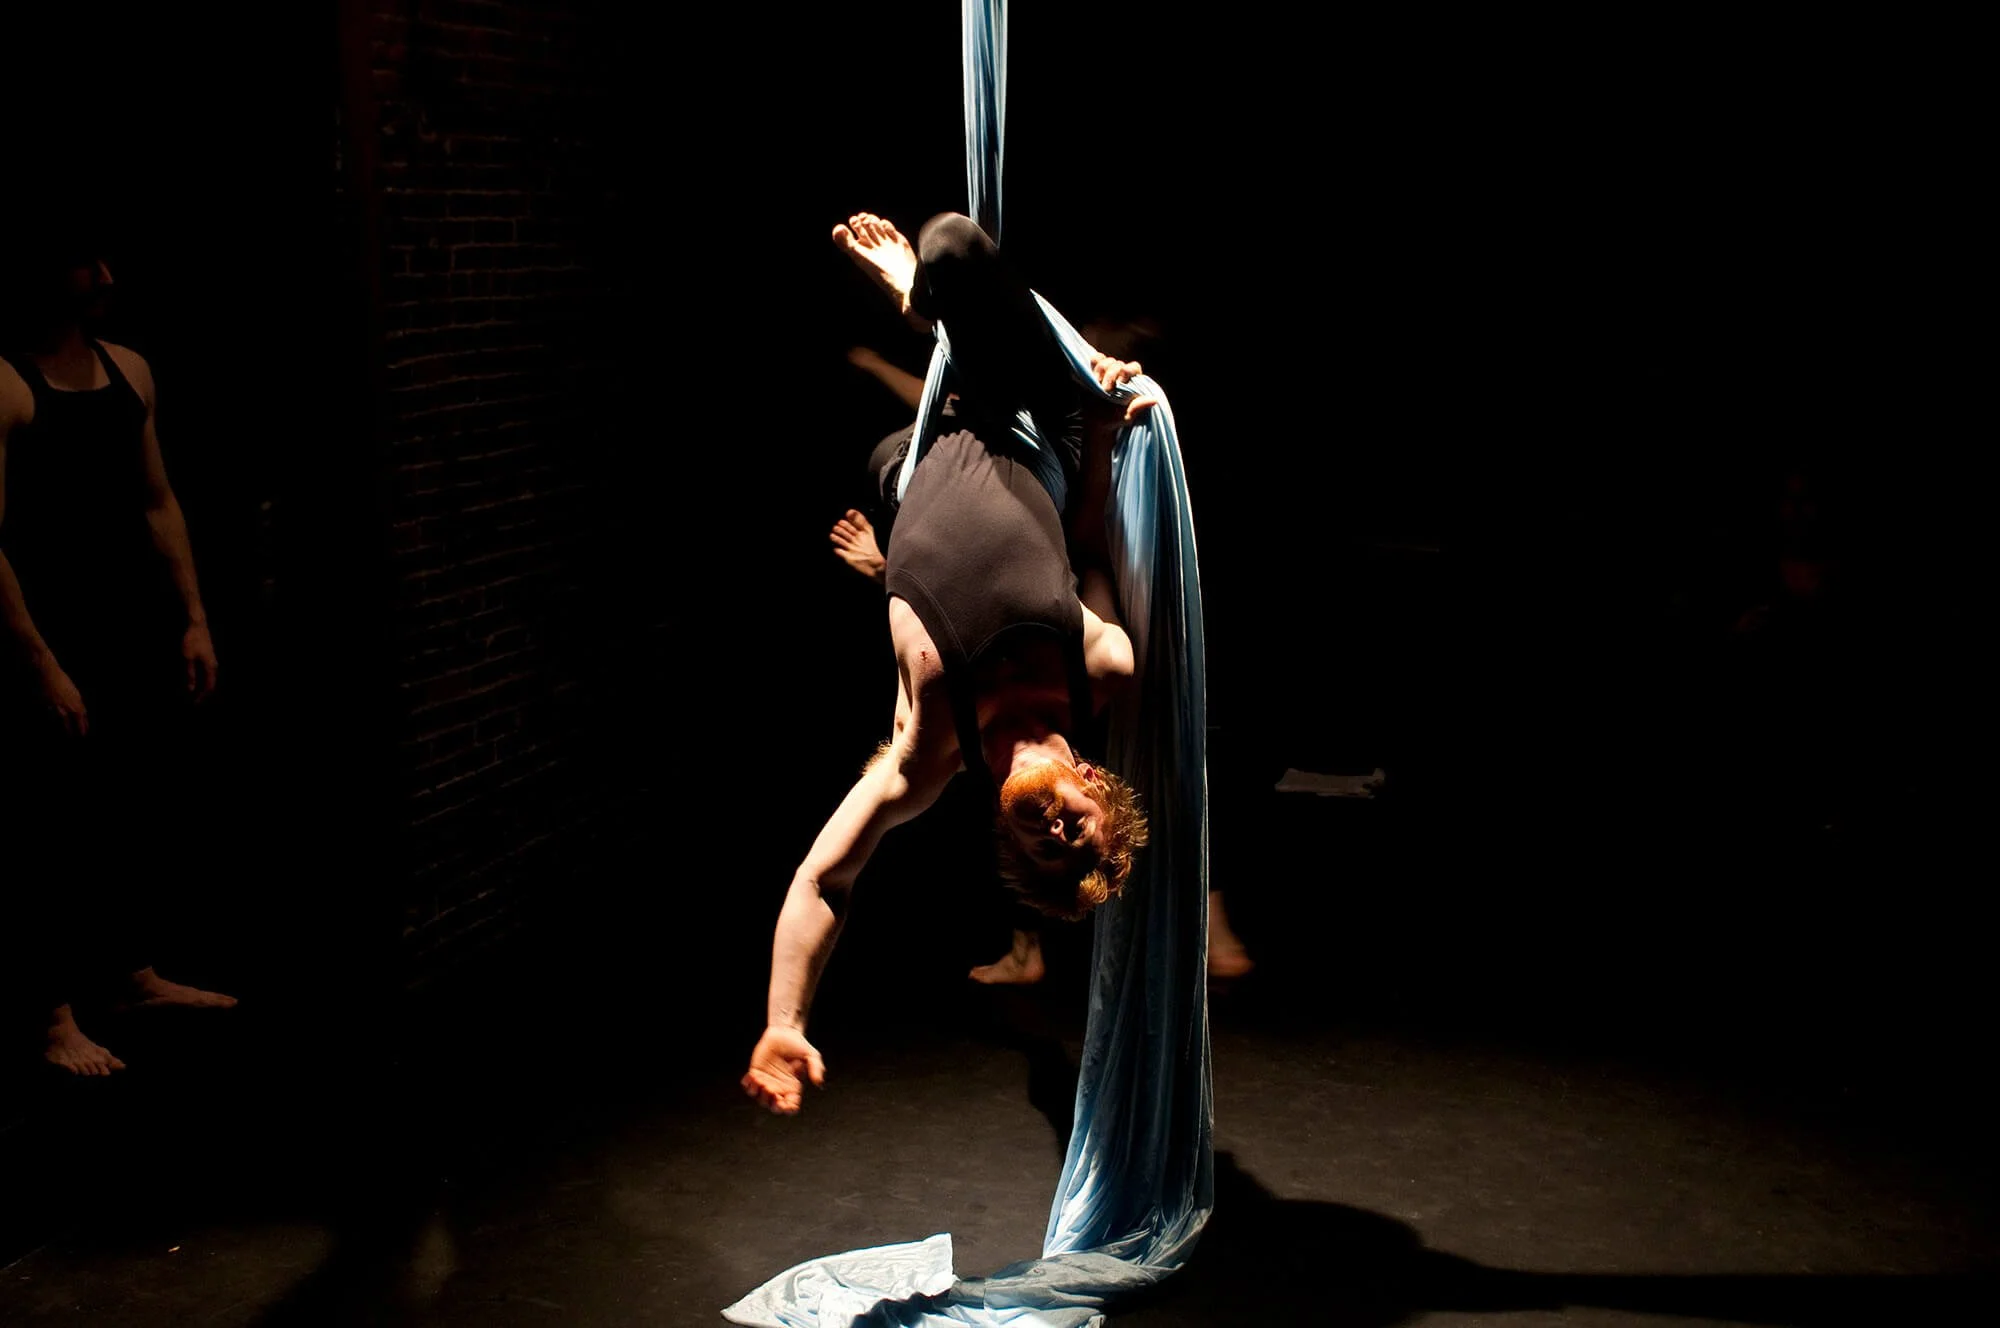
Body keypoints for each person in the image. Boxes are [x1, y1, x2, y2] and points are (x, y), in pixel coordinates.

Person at [742, 211, 1154, 1114]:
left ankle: (926, 308)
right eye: (1078, 832)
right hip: (1028, 425)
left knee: (949, 273)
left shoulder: (925, 755)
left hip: (914, 459)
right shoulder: (1103, 664)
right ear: (1091, 780)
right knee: (955, 248)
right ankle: (933, 302)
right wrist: (1103, 426)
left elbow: (825, 879)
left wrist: (786, 1018)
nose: (1055, 836)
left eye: (1041, 852)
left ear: (1007, 837)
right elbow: (1087, 544)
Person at [1, 220, 236, 1077]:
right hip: (48, 625)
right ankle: (50, 1016)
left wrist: (194, 617)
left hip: (126, 619)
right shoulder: (4, 383)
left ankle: (130, 975)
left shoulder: (128, 367)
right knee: (44, 821)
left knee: (129, 799)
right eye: (84, 264)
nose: (105, 276)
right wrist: (38, 661)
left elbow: (157, 498)